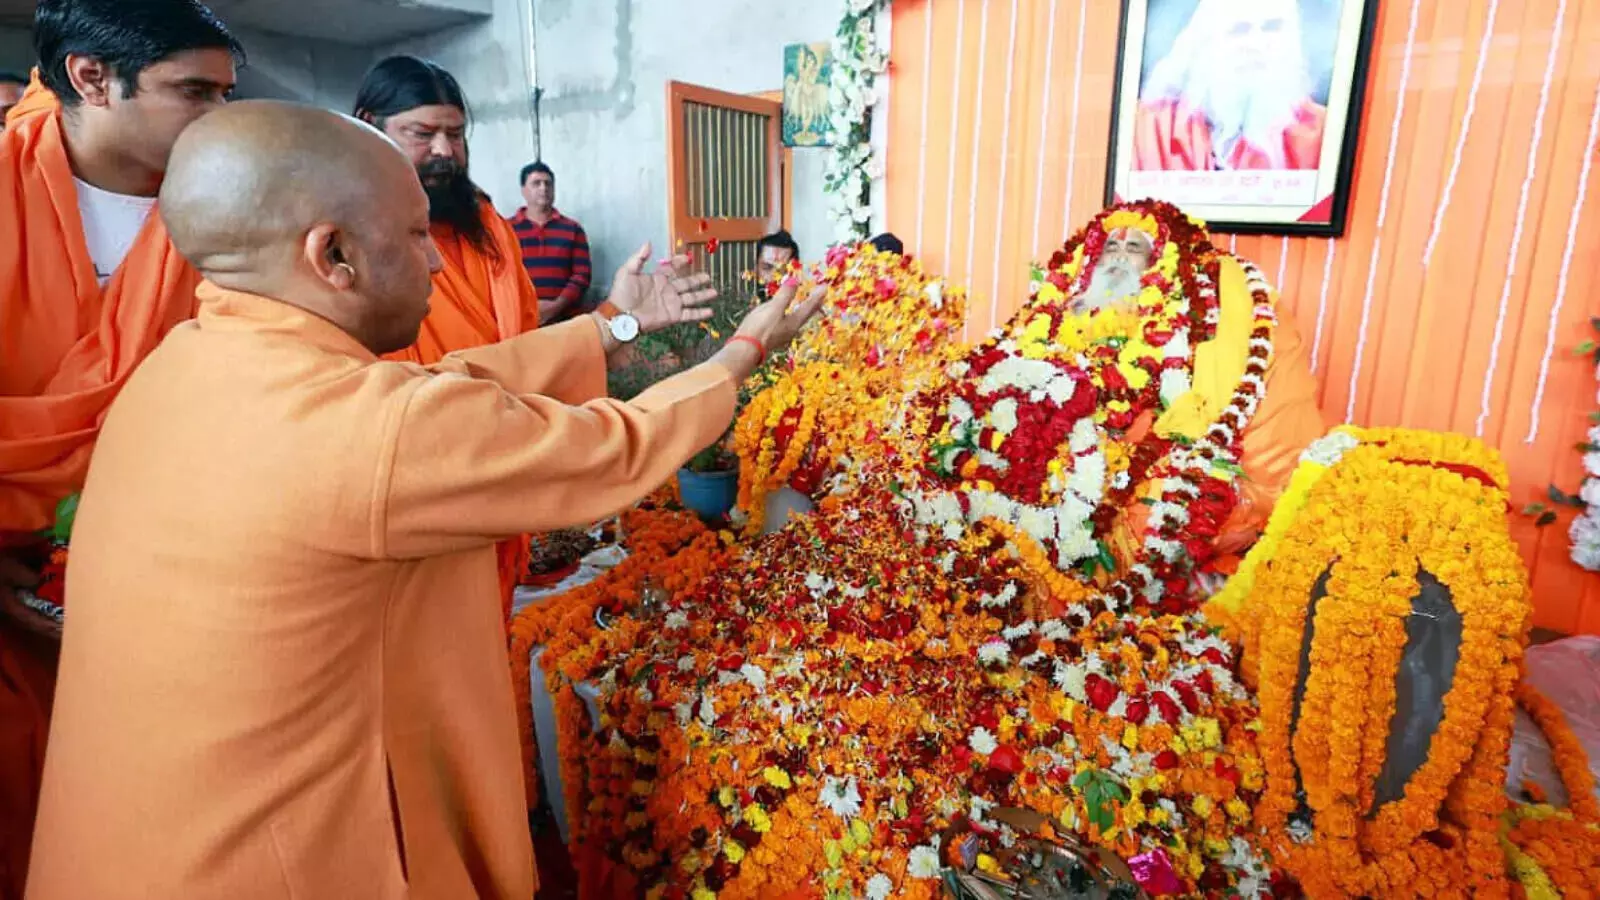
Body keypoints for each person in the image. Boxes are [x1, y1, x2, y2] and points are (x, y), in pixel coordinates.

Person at [25, 100, 823, 900]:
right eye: (413, 236)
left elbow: (440, 389)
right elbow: (612, 447)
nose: (438, 265)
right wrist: (742, 352)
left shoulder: (179, 367)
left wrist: (611, 327)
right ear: (332, 255)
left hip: (114, 847)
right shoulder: (373, 430)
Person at [0, 2, 239, 895]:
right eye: (193, 92)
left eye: (226, 92)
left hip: (179, 592)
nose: (218, 117)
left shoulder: (229, 209)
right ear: (91, 78)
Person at [353, 55, 546, 621]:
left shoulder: (488, 225)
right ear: (370, 125)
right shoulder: (348, 234)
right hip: (412, 482)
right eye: (422, 133)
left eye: (455, 135)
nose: (443, 151)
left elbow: (526, 334)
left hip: (500, 461)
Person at [1132, 0, 1326, 171]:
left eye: (1271, 27)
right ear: (1204, 45)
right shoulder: (1147, 128)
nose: (1256, 45)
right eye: (1239, 30)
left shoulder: (1322, 131)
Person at [508, 161, 592, 322]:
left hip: (565, 320)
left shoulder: (573, 229)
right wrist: (528, 306)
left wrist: (556, 306)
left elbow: (582, 275)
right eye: (536, 183)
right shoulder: (506, 230)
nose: (543, 188)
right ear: (523, 190)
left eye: (548, 184)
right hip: (519, 319)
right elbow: (502, 275)